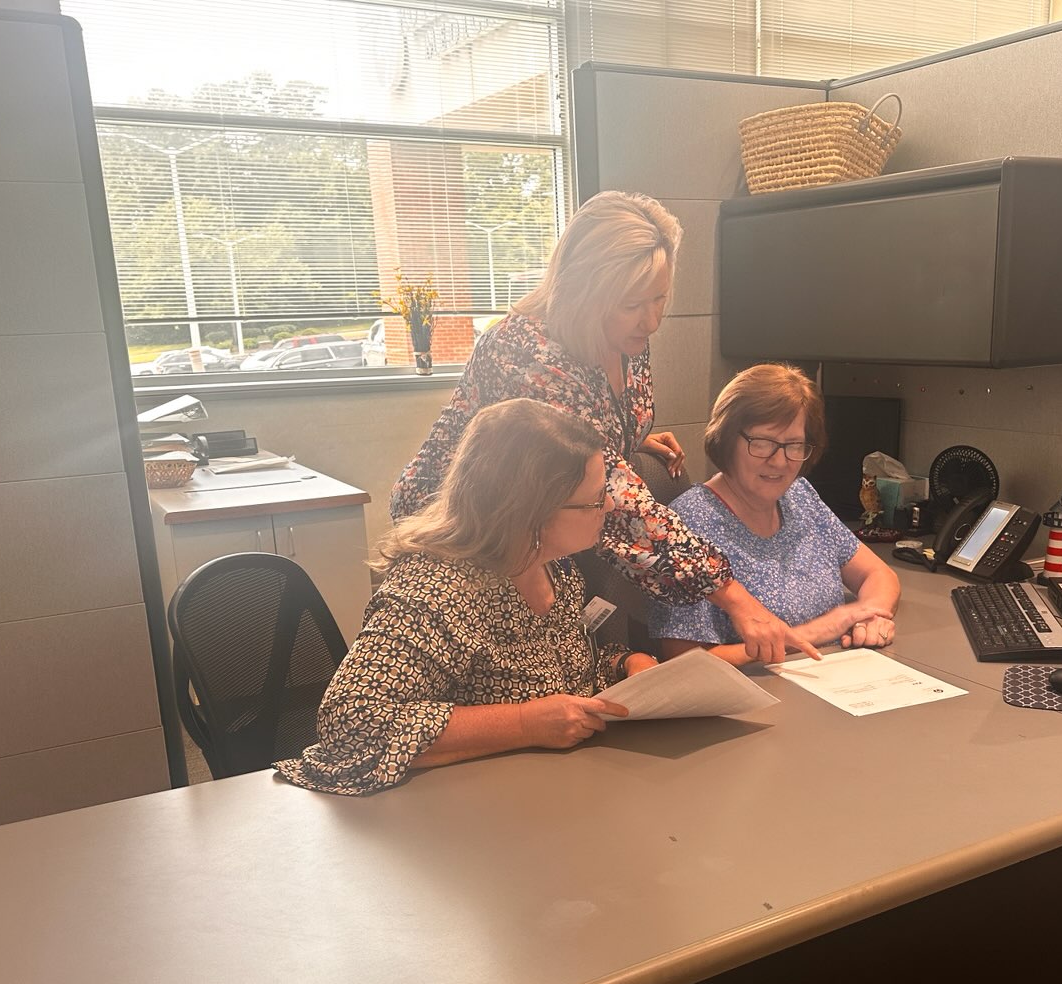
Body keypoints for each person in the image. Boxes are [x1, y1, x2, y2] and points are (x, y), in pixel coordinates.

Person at [388, 190, 815, 663]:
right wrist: (735, 598)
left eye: (660, 299)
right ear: (584, 291)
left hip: (544, 522)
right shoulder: (528, 352)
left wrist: (630, 436)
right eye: (633, 304)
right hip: (473, 533)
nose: (651, 321)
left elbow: (588, 424)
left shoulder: (624, 335)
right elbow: (614, 500)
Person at [279, 400, 656, 796]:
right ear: (530, 512)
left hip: (555, 791)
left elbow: (559, 679)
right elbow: (352, 721)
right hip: (462, 817)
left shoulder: (553, 565)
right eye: (596, 500)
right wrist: (524, 723)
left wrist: (625, 663)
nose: (610, 506)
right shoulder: (434, 591)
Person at [650, 364, 900, 664]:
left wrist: (870, 617)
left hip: (838, 679)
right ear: (727, 437)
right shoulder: (691, 522)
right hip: (760, 697)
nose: (780, 461)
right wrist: (811, 635)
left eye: (794, 446)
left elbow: (878, 574)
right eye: (764, 443)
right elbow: (682, 660)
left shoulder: (799, 496)